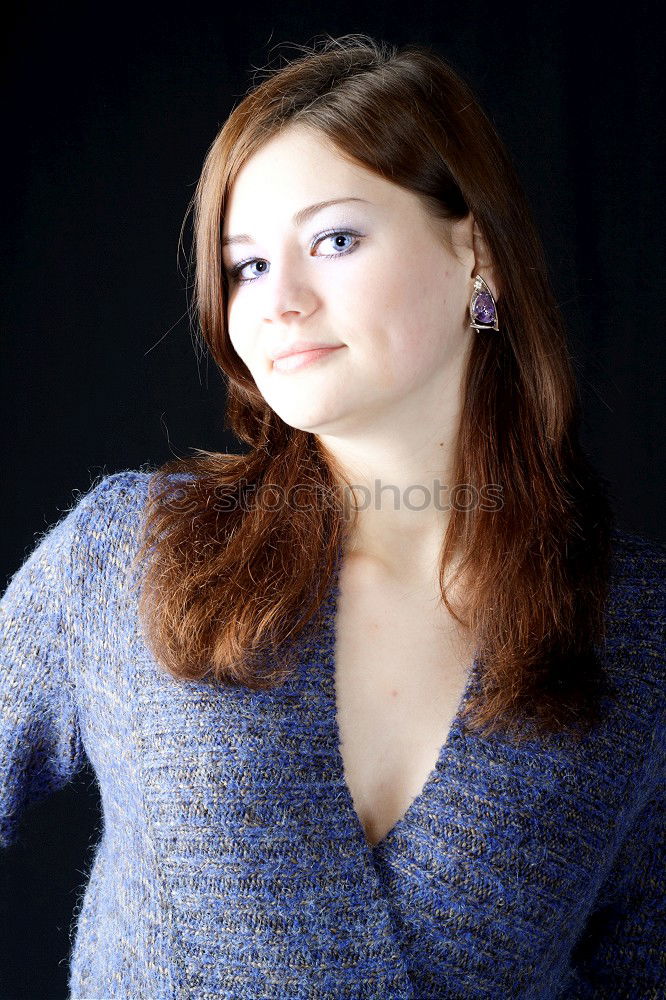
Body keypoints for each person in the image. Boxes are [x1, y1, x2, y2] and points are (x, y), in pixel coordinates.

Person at [1, 32, 664, 1000]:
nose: (279, 301)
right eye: (247, 266)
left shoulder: (637, 630)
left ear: (473, 254)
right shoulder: (127, 552)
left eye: (335, 240)